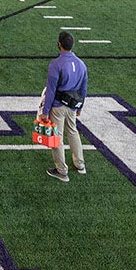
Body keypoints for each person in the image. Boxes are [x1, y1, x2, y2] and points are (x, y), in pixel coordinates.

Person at [41, 31, 88, 182]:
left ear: (59, 44)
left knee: (57, 137)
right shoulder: (81, 64)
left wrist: (45, 111)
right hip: (73, 105)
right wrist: (80, 107)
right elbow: (83, 89)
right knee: (73, 132)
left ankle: (61, 170)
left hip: (58, 106)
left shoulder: (56, 64)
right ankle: (80, 164)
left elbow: (51, 90)